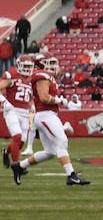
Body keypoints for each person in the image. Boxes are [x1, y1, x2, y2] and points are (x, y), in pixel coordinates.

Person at [10, 56, 90, 186]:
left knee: (50, 152)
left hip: (45, 115)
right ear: (43, 64)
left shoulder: (45, 75)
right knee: (62, 142)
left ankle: (19, 166)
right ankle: (71, 175)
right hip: (45, 115)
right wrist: (61, 100)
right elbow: (44, 97)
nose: (54, 65)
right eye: (51, 62)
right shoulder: (42, 75)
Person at [0, 54, 36, 169]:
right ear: (19, 65)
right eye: (24, 66)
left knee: (21, 143)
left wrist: (32, 106)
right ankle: (17, 165)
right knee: (17, 137)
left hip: (25, 112)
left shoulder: (31, 79)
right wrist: (4, 102)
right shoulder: (12, 75)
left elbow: (29, 97)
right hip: (12, 110)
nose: (26, 69)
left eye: (28, 66)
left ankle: (6, 151)